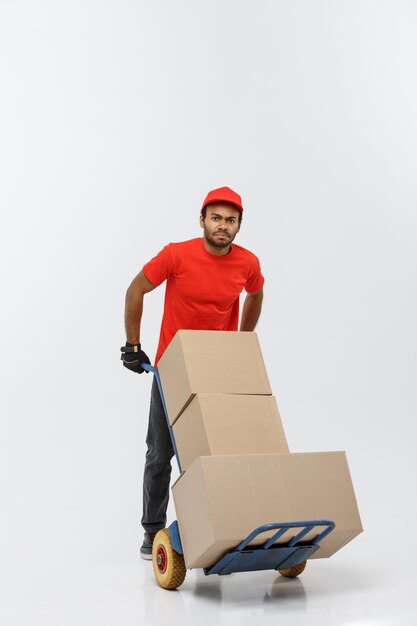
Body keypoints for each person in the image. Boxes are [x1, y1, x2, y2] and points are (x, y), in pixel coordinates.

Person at [121, 186, 265, 559]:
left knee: (218, 452)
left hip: (217, 367)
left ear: (238, 226)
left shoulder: (247, 263)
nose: (223, 226)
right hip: (173, 368)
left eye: (230, 221)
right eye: (216, 218)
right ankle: (152, 533)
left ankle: (222, 527)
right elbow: (136, 288)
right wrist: (133, 345)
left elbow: (256, 293)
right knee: (160, 455)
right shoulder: (176, 254)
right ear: (201, 220)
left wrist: (242, 340)